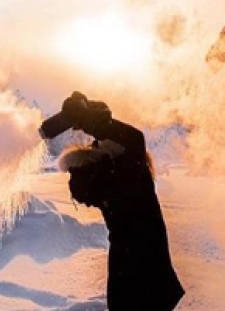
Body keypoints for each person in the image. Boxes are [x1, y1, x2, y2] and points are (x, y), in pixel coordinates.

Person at [39, 92, 185, 311]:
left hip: (147, 266)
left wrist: (88, 119)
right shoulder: (100, 172)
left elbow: (133, 138)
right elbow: (82, 188)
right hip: (129, 267)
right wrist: (87, 120)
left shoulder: (133, 164)